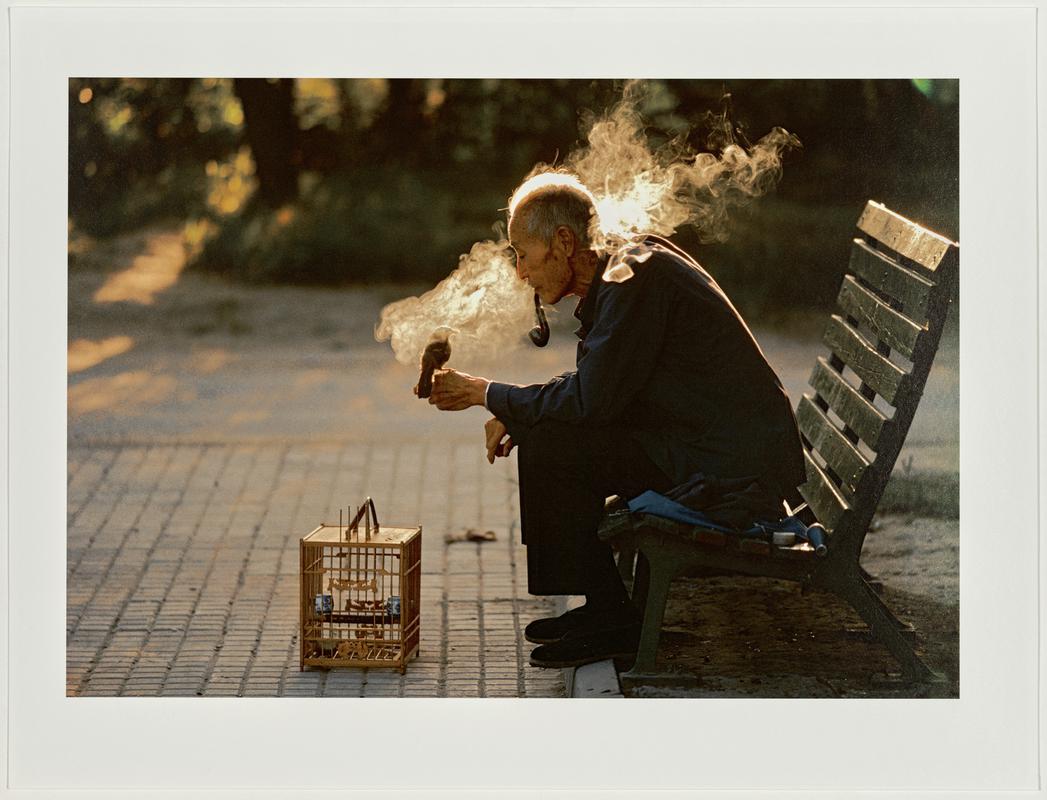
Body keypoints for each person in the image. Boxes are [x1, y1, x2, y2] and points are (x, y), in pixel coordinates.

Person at [428, 172, 806, 668]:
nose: (521, 272)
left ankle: (611, 617)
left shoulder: (632, 279)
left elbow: (592, 401)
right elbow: (604, 386)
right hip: (712, 445)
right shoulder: (626, 269)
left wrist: (489, 394)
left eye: (524, 252)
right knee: (546, 431)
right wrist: (513, 409)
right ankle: (602, 607)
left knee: (553, 445)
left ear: (563, 242)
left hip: (732, 468)